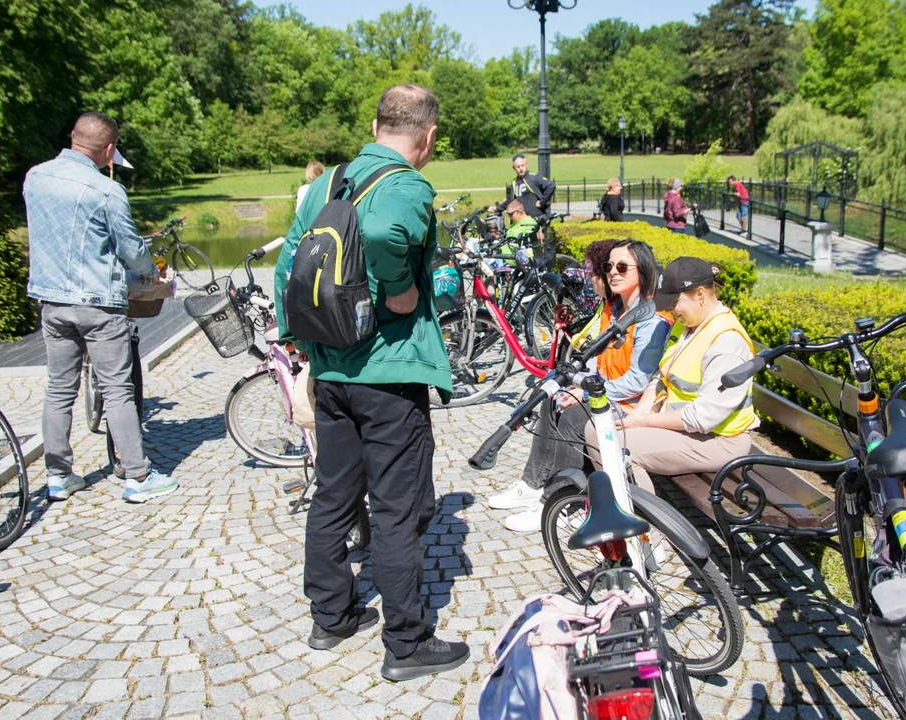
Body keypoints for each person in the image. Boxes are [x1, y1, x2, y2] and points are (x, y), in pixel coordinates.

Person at [274, 85, 468, 681]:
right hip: (388, 374)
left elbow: (288, 263)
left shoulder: (328, 182)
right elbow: (385, 240)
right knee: (395, 507)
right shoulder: (407, 185)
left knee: (333, 494)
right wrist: (400, 291)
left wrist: (304, 340)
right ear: (427, 135)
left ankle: (331, 615)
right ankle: (406, 644)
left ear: (377, 122)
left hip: (332, 371)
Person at [24, 112, 177, 504]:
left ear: (72, 137)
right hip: (98, 305)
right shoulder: (106, 190)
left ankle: (58, 475)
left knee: (59, 388)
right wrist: (150, 276)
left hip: (52, 302)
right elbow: (130, 249)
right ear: (109, 150)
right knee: (118, 389)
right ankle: (138, 477)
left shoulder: (35, 177)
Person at [488, 239, 670, 532]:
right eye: (609, 266)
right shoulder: (614, 307)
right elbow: (599, 361)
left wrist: (584, 392)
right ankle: (533, 484)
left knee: (574, 417)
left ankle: (561, 501)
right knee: (551, 397)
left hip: (633, 404)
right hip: (607, 392)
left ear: (643, 270)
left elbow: (638, 380)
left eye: (622, 267)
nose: (613, 272)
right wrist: (576, 385)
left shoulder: (650, 318)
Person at [586, 257, 759, 496]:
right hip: (685, 429)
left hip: (719, 440)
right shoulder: (688, 326)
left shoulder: (726, 341)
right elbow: (661, 378)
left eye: (676, 302)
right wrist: (641, 412)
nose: (672, 310)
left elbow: (703, 417)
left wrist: (643, 421)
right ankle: (619, 509)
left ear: (700, 294)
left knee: (616, 446)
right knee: (596, 428)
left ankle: (645, 526)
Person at [498, 154, 555, 218]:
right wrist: (497, 208)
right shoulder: (514, 182)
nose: (521, 168)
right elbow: (510, 201)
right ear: (514, 168)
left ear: (526, 163)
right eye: (518, 167)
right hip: (523, 220)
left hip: (538, 219)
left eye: (522, 165)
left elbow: (551, 185)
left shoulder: (534, 177)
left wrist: (542, 202)